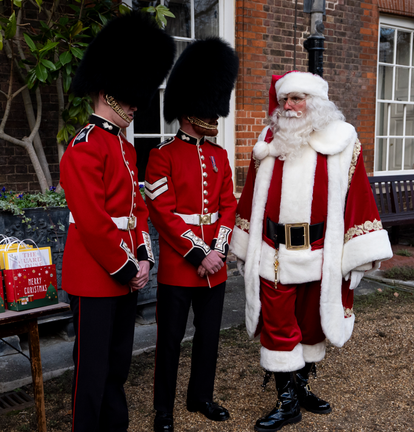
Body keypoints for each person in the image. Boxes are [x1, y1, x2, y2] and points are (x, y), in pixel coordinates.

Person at [230, 71, 393, 432]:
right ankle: (286, 401)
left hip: (321, 253)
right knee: (278, 327)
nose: (288, 106)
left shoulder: (343, 139)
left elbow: (359, 197)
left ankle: (301, 387)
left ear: (315, 103)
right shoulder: (269, 140)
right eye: (285, 99)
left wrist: (359, 253)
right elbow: (252, 195)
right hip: (274, 253)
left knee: (310, 323)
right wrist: (243, 244)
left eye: (297, 99)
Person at [60, 12, 174, 432]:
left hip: (124, 272)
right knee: (91, 372)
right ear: (108, 93)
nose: (134, 105)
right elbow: (92, 221)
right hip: (96, 274)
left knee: (116, 366)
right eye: (128, 98)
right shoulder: (84, 146)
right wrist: (128, 267)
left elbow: (137, 211)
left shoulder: (124, 150)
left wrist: (143, 257)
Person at [144, 38, 239, 432]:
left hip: (213, 267)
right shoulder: (161, 156)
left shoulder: (218, 156)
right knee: (169, 343)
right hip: (180, 269)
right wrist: (201, 254)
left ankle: (200, 396)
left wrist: (218, 250)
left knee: (209, 338)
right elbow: (163, 214)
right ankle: (163, 410)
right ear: (187, 110)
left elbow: (228, 206)